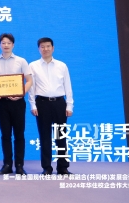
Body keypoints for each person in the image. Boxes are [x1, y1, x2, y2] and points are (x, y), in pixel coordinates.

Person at [0, 33, 33, 175]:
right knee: (5, 134)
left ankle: (19, 165)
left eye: (8, 43)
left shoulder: (21, 61)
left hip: (18, 103)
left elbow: (29, 81)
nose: (6, 45)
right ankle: (7, 164)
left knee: (19, 134)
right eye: (3, 43)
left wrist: (21, 93)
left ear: (13, 45)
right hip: (2, 103)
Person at [28, 37, 74, 175]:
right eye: (42, 47)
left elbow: (68, 86)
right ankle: (47, 167)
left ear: (53, 48)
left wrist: (69, 105)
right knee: (45, 137)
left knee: (61, 136)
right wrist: (32, 104)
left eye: (48, 46)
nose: (45, 49)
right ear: (39, 49)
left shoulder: (62, 65)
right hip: (42, 104)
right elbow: (31, 87)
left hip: (59, 103)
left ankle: (63, 167)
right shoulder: (33, 66)